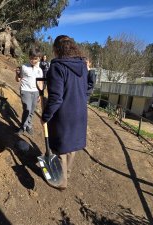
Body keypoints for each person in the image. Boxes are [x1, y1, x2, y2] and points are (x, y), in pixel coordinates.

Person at [41, 35, 88, 190]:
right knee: (72, 146)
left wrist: (46, 116)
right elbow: (87, 89)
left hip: (64, 115)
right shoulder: (82, 65)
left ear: (56, 49)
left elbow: (56, 98)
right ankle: (67, 173)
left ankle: (62, 181)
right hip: (80, 113)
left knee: (60, 146)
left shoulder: (57, 67)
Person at [15, 47, 43, 135]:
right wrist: (17, 74)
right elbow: (18, 79)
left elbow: (40, 83)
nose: (33, 60)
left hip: (35, 92)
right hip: (25, 90)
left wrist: (40, 94)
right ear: (29, 57)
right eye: (31, 58)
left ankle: (29, 125)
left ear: (39, 58)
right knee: (27, 109)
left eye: (35, 59)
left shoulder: (40, 70)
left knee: (32, 110)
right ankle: (22, 126)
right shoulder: (24, 67)